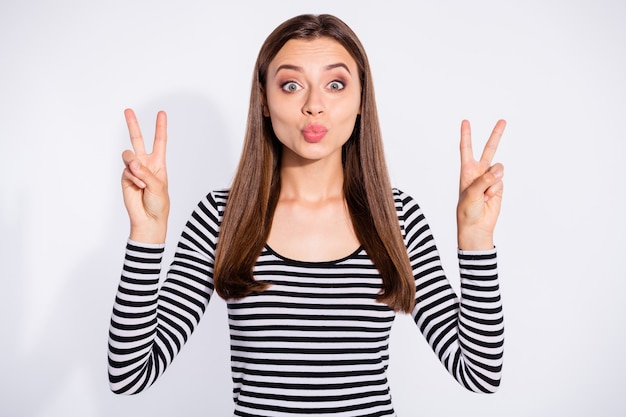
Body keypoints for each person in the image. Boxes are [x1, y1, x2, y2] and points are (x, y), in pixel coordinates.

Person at [108, 13, 506, 416]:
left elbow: (479, 372)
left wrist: (475, 238)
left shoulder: (396, 217)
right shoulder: (224, 216)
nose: (314, 105)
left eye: (335, 85)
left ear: (361, 101)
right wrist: (147, 233)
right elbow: (129, 374)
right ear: (264, 100)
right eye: (291, 85)